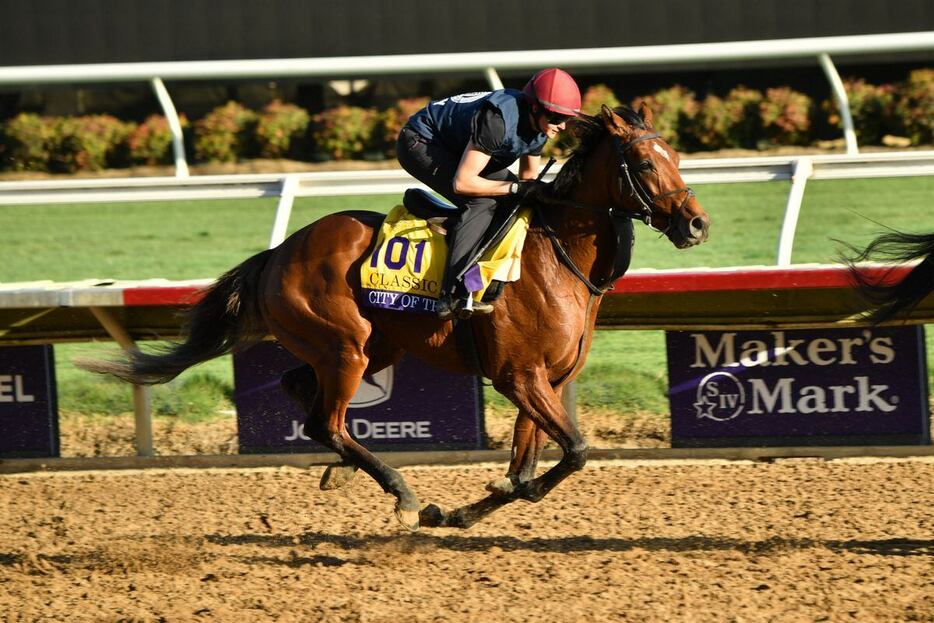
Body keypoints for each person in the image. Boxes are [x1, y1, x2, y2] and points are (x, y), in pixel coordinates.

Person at [396, 68, 582, 319]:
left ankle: (482, 265)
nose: (561, 125)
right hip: (421, 142)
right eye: (556, 117)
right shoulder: (497, 121)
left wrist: (532, 191)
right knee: (482, 201)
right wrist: (516, 188)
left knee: (515, 199)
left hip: (455, 147)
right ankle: (453, 293)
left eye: (566, 118)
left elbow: (528, 181)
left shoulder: (539, 126)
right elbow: (463, 184)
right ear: (535, 108)